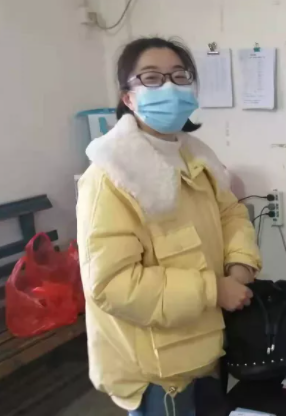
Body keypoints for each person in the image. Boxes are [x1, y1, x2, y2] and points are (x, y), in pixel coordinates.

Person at [76, 37, 261, 416]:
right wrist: (213, 290)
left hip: (207, 346)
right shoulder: (109, 176)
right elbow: (112, 284)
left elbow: (230, 213)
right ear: (128, 97)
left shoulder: (196, 156)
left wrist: (240, 264)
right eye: (152, 78)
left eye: (179, 76)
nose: (169, 88)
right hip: (158, 371)